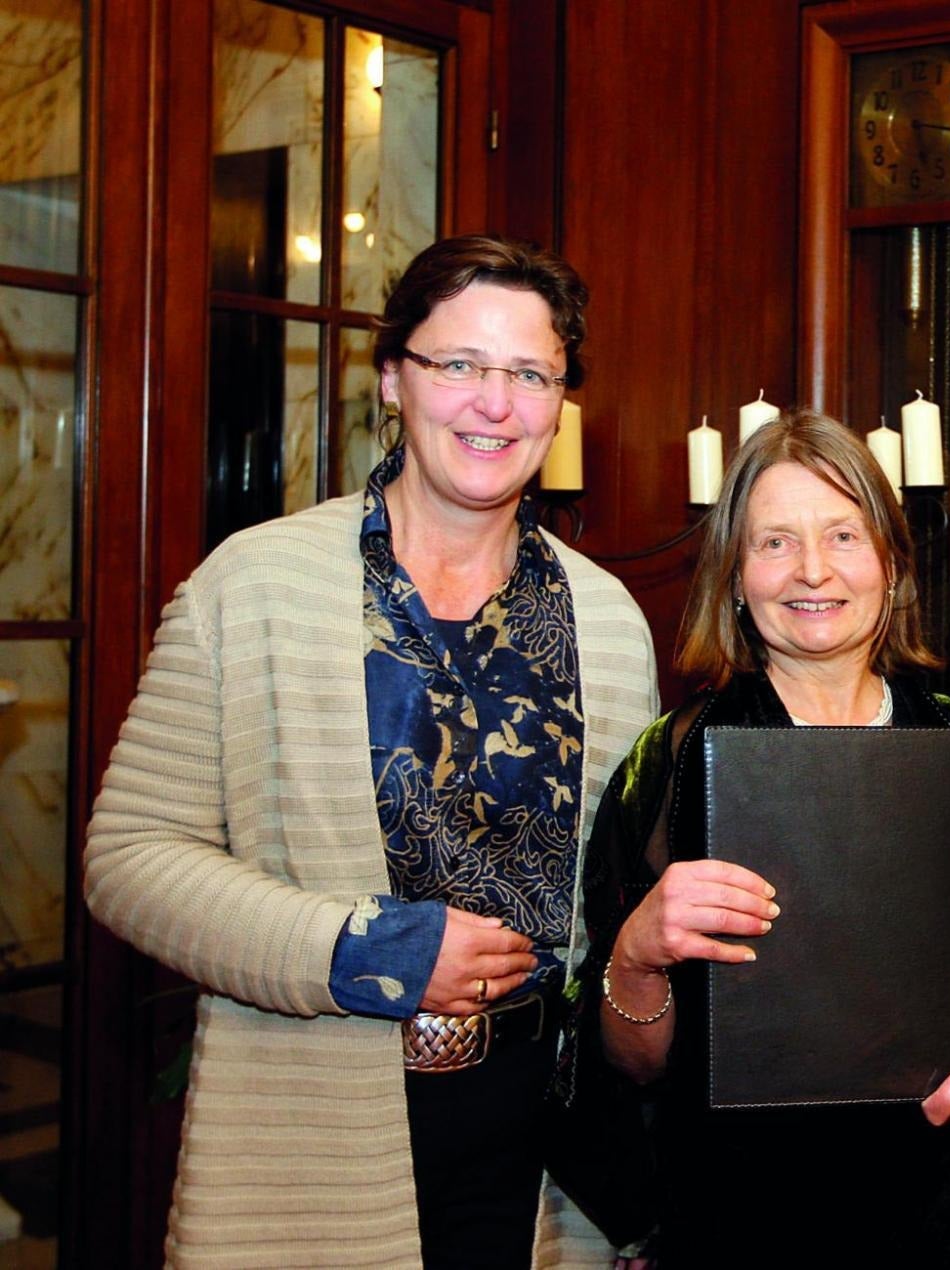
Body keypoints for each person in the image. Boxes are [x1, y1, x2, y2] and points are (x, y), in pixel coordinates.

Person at [83, 236, 660, 1265]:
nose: (494, 402)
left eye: (529, 373)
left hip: (542, 1160)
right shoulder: (251, 584)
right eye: (459, 365)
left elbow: (618, 908)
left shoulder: (608, 620)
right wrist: (358, 951)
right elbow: (128, 860)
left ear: (561, 402)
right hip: (309, 1128)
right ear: (393, 378)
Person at [567, 411, 950, 1263]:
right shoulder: (673, 762)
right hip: (737, 1222)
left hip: (936, 1211)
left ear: (892, 566)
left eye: (844, 536)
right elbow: (626, 1075)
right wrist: (635, 955)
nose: (812, 570)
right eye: (774, 542)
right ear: (735, 577)